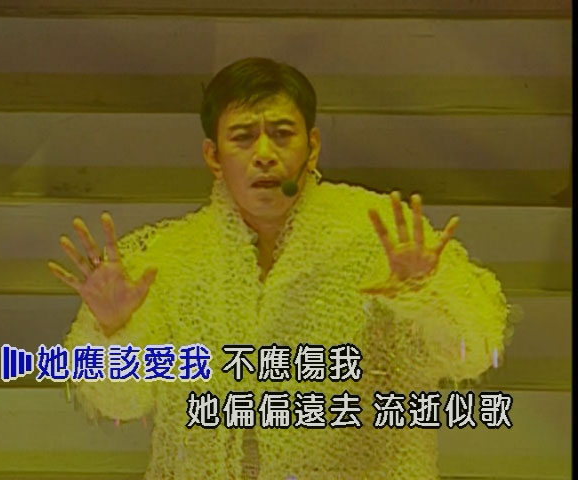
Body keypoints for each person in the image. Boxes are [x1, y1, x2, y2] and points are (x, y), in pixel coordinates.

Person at [49, 57, 509, 479]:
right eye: (243, 137)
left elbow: (473, 351)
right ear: (213, 157)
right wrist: (113, 329)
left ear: (313, 147)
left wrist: (424, 294)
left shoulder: (382, 235)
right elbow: (120, 402)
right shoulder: (169, 259)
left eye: (283, 134)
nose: (264, 153)